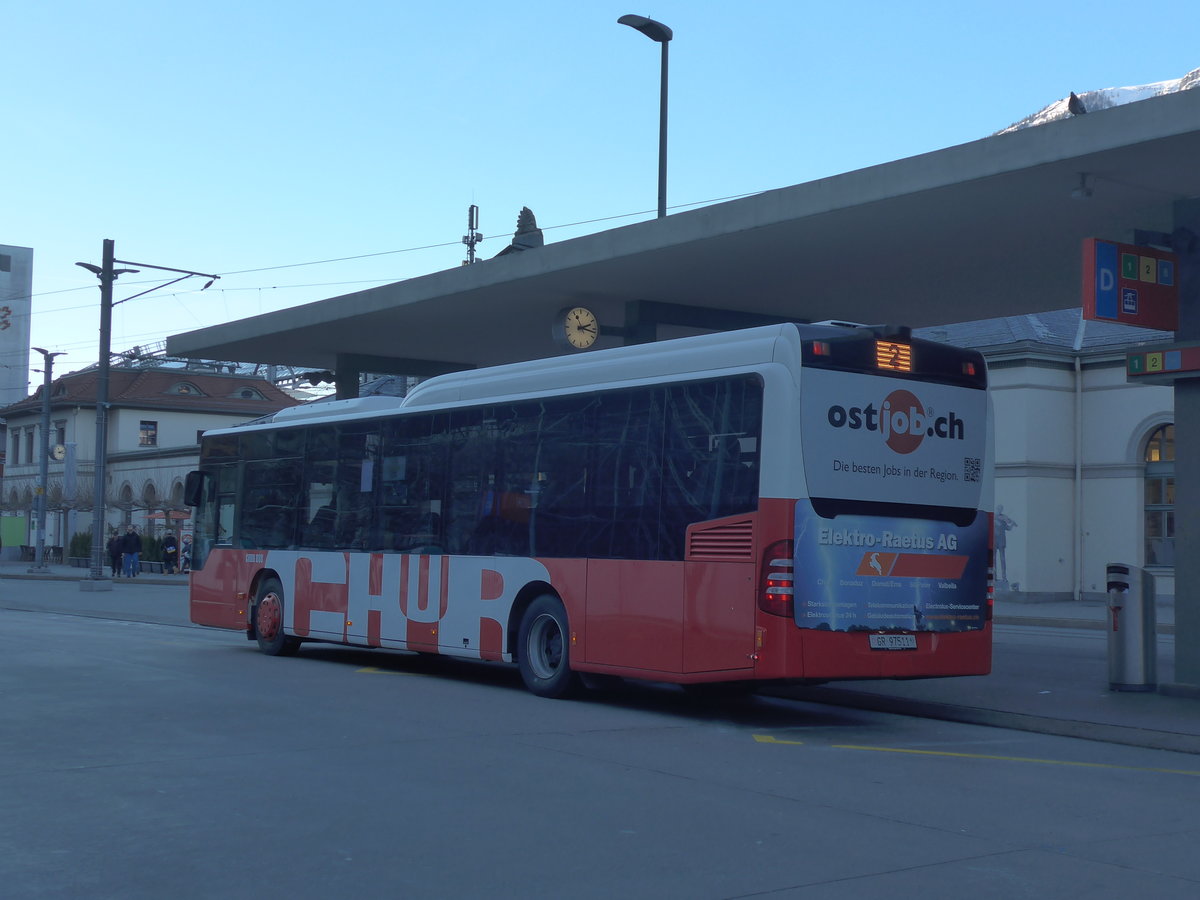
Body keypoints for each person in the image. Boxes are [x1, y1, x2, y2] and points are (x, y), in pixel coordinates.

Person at [994, 505, 1017, 585]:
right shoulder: (994, 517)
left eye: (1001, 509)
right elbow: (996, 523)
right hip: (994, 541)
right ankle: (994, 577)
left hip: (1001, 541)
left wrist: (1012, 524)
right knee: (994, 560)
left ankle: (1004, 577)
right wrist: (1001, 519)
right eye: (999, 509)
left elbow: (1008, 528)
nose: (1000, 511)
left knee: (1002, 560)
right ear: (997, 509)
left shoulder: (1003, 519)